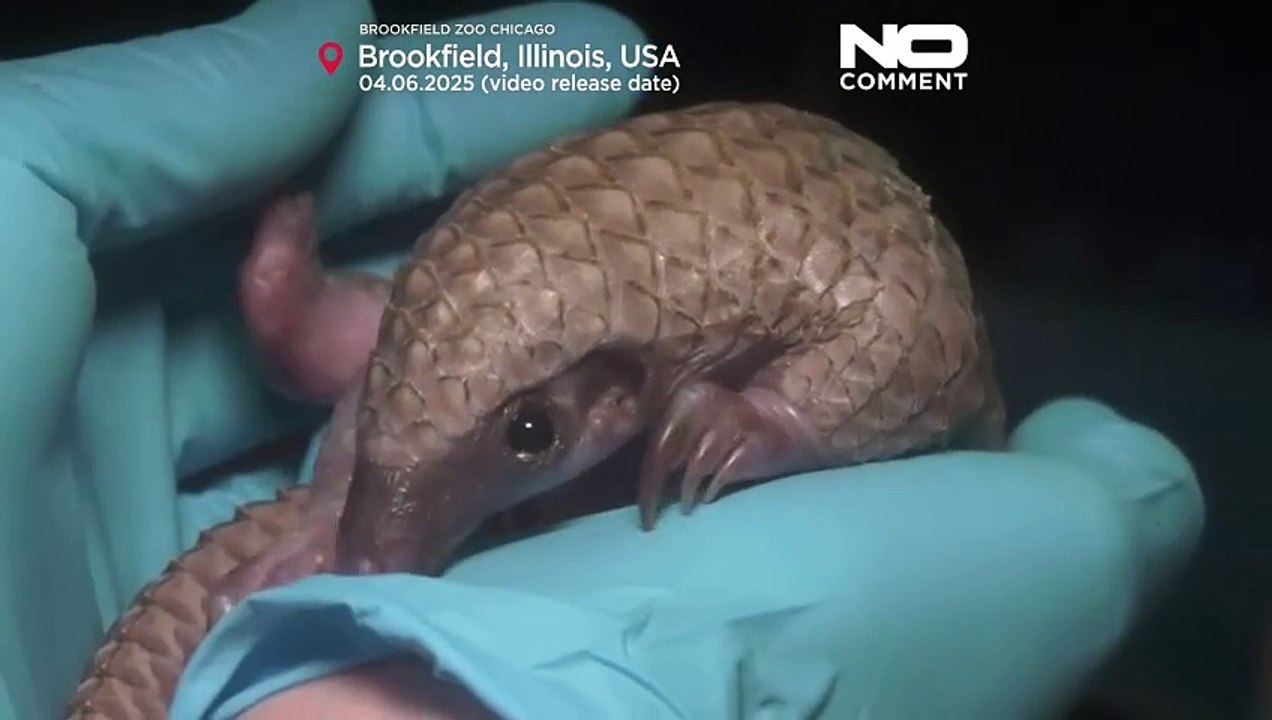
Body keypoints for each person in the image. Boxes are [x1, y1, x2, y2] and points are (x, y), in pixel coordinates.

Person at [0, 1, 1204, 718]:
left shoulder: (827, 272)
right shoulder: (495, 280)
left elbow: (905, 329)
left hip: (815, 416)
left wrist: (779, 420)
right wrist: (340, 497)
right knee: (451, 419)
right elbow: (444, 361)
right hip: (546, 389)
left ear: (619, 386)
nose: (371, 562)